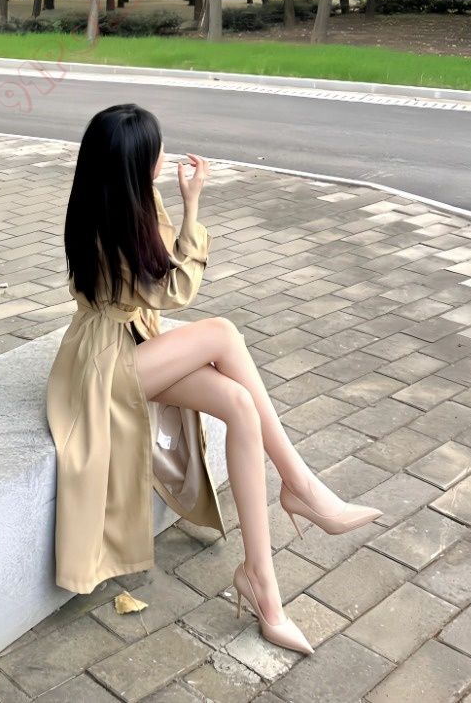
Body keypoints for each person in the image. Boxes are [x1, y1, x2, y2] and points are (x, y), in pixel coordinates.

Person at [46, 103, 383, 657]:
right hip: (104, 367)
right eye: (155, 151)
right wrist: (195, 205)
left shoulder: (119, 198)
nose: (163, 157)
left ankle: (262, 584)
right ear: (136, 164)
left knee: (239, 405)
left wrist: (176, 206)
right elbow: (176, 289)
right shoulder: (111, 219)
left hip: (132, 346)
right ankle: (301, 485)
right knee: (223, 333)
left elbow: (159, 275)